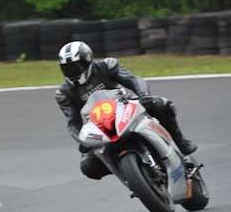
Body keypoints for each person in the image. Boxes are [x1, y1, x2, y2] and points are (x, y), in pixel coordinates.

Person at [55, 41, 197, 180]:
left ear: (87, 61)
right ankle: (130, 174)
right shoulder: (64, 93)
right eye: (66, 68)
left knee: (160, 104)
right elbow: (72, 122)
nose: (72, 72)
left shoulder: (106, 66)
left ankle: (180, 142)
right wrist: (82, 140)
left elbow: (134, 80)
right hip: (101, 125)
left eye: (75, 66)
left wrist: (144, 96)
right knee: (88, 166)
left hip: (127, 106)